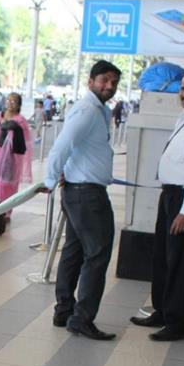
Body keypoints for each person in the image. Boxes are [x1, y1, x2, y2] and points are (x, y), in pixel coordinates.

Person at [130, 70, 184, 341]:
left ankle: (178, 321)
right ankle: (162, 310)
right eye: (183, 89)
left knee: (179, 261)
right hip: (170, 196)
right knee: (162, 257)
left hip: (183, 201)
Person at [42, 60, 122, 340]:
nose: (109, 86)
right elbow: (63, 145)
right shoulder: (88, 110)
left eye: (113, 82)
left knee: (74, 251)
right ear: (91, 81)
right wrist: (50, 179)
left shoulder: (98, 110)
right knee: (97, 254)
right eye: (104, 80)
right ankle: (82, 319)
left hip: (80, 191)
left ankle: (64, 310)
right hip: (87, 195)